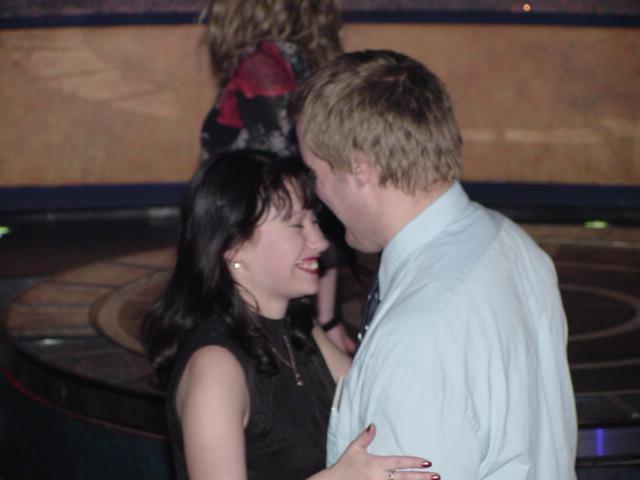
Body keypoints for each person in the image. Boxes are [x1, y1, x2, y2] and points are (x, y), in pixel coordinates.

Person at [291, 50, 578, 479]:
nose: (316, 193)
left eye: (315, 173)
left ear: (360, 170)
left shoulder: (414, 341)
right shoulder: (511, 241)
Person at [142, 150, 439, 480]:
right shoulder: (216, 366)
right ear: (234, 245)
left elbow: (376, 401)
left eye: (314, 222)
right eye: (297, 224)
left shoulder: (299, 330)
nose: (320, 242)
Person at [198, 0, 355, 353]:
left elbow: (304, 191)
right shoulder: (304, 63)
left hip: (254, 254)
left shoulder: (263, 65)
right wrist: (328, 315)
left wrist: (326, 317)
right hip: (269, 255)